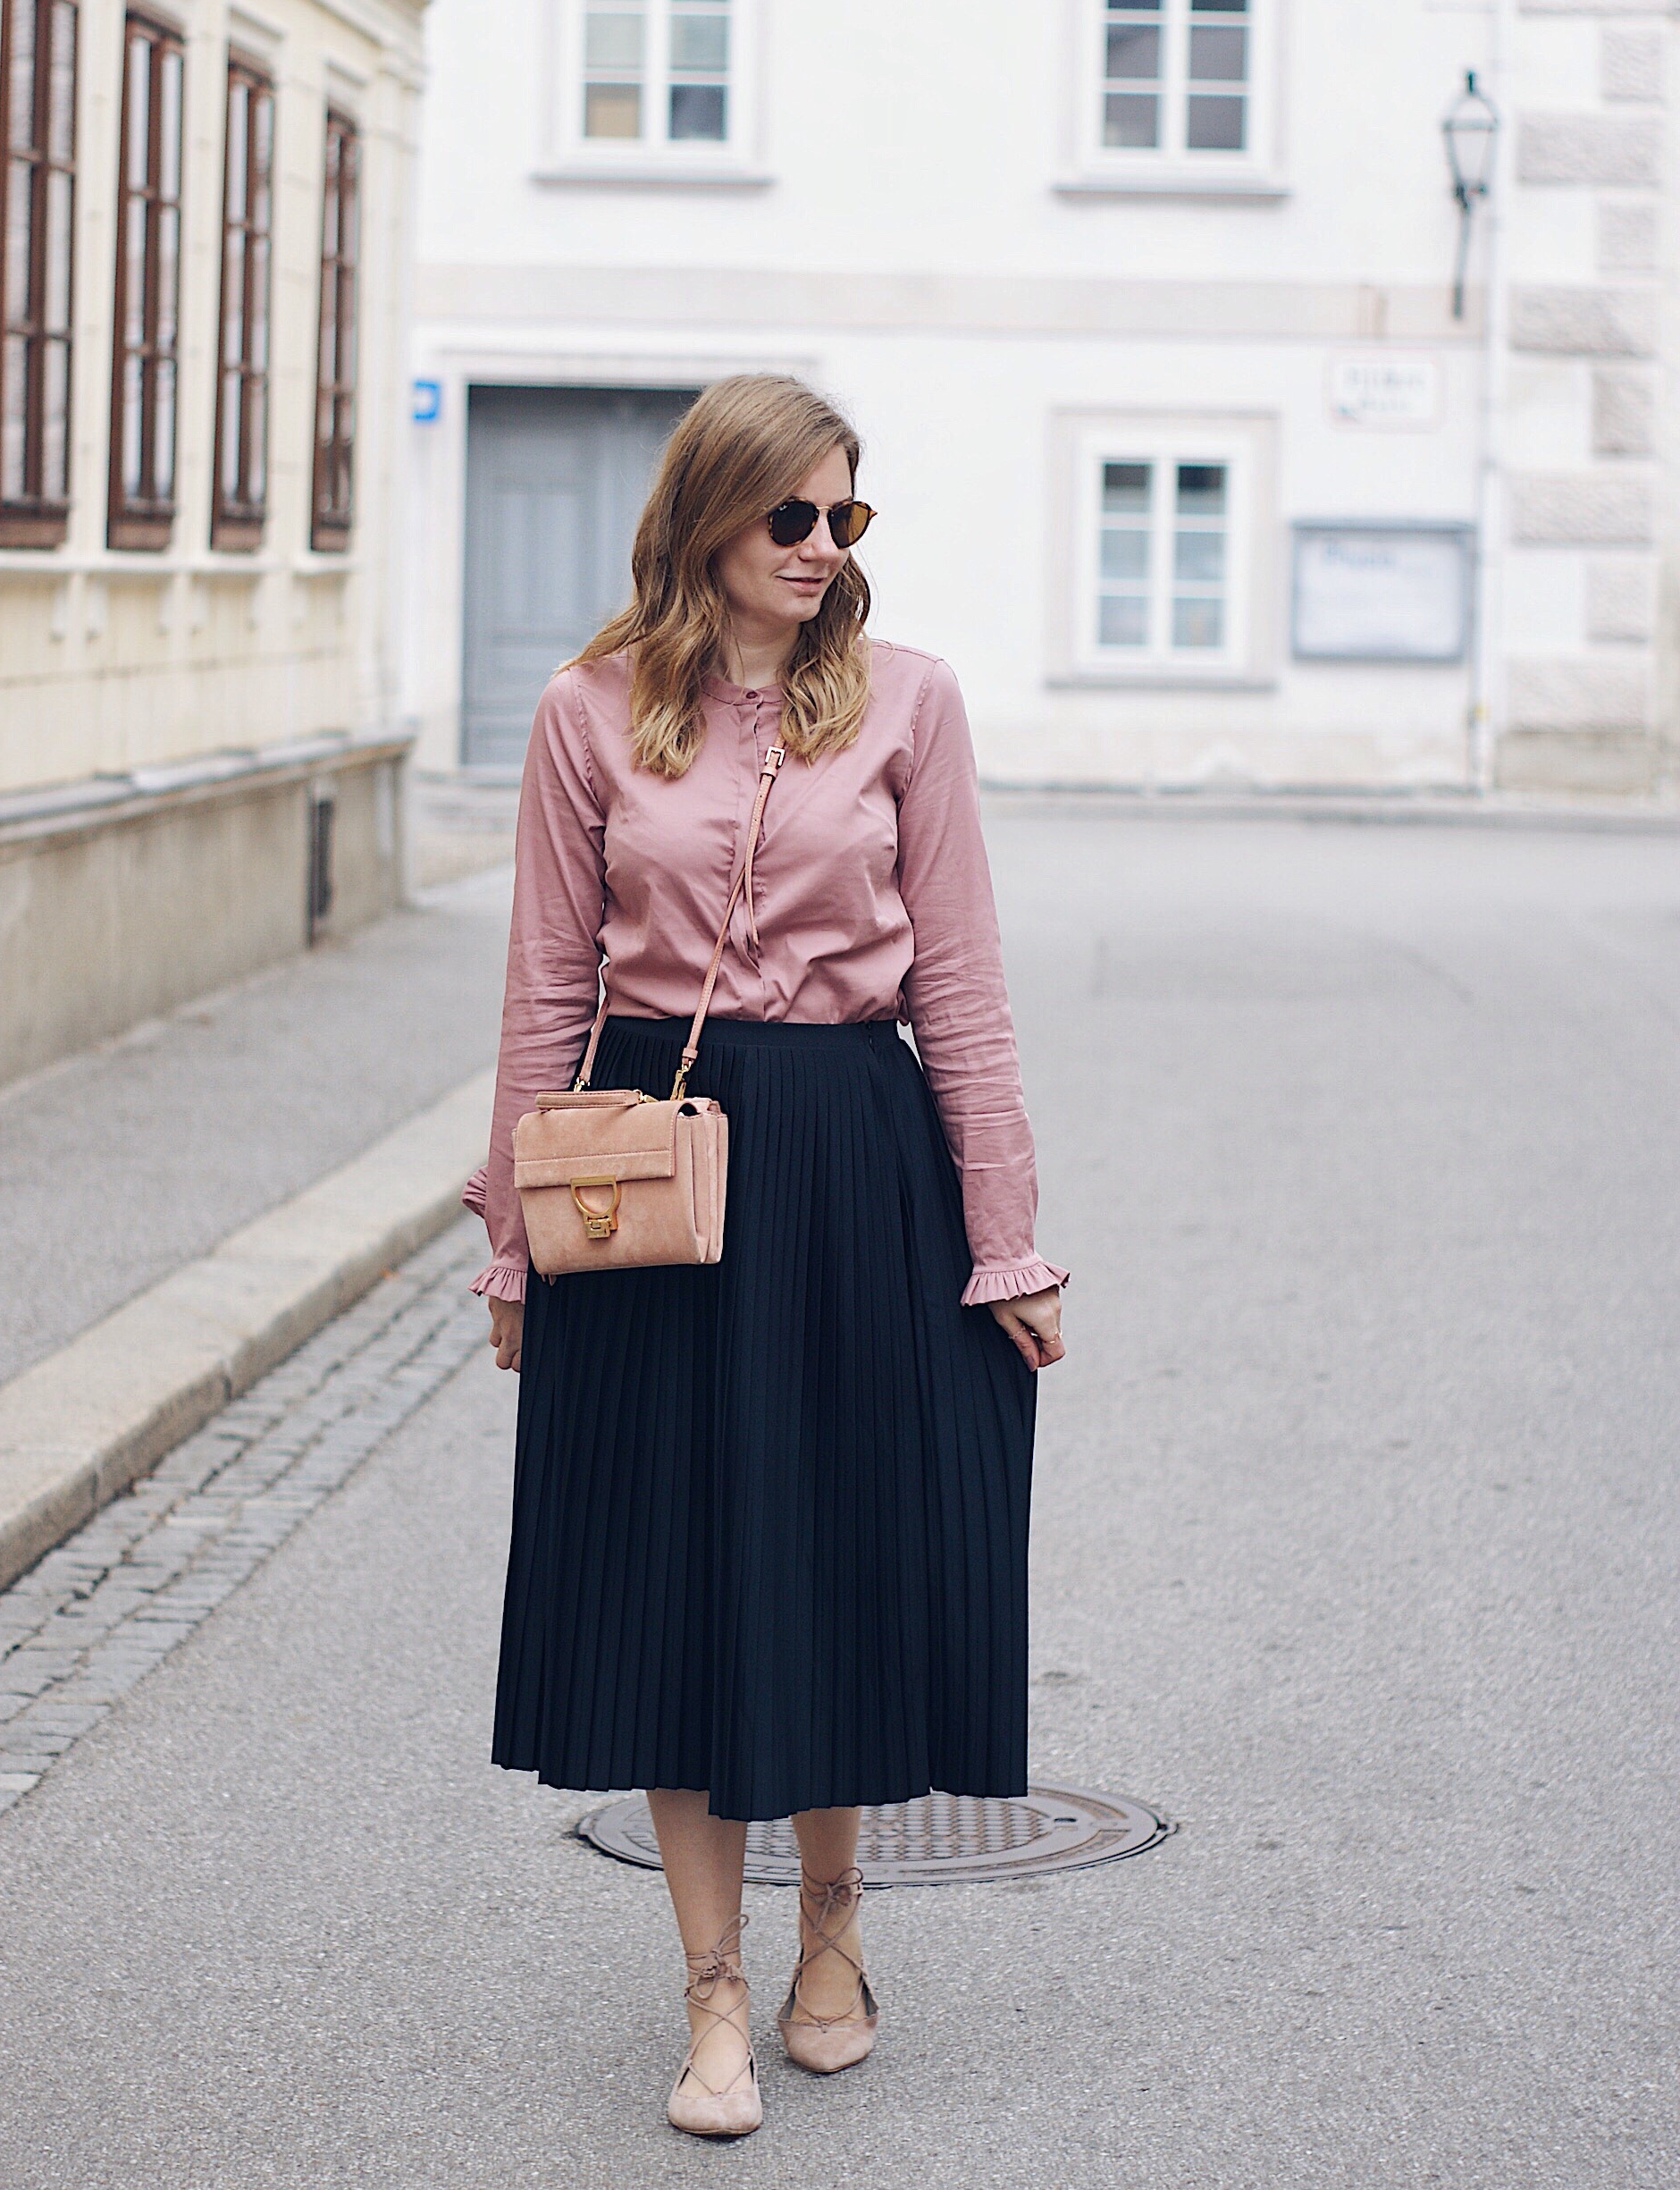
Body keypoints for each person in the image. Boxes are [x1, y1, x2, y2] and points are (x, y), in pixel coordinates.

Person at [467, 374, 1067, 2139]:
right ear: (705, 520)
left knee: (843, 1551)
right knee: (672, 1568)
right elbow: (543, 992)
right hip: (649, 1168)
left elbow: (957, 980)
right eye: (788, 517)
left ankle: (831, 1935)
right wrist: (513, 1247)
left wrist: (1006, 1240)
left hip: (853, 1156)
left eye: (844, 519)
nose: (820, 549)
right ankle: (707, 1995)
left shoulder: (909, 704)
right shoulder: (590, 714)